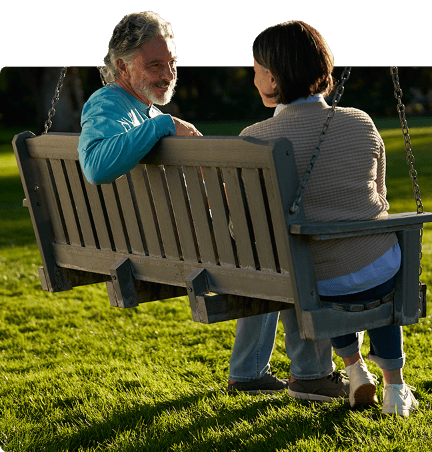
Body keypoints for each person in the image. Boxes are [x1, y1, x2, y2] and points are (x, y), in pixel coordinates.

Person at [229, 20, 418, 417]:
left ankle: (355, 370)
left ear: (273, 79)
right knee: (371, 267)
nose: (253, 78)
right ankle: (394, 388)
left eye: (256, 70)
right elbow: (379, 197)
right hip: (378, 268)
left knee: (325, 269)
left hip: (313, 281)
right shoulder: (360, 122)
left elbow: (247, 225)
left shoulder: (253, 138)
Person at [78, 11, 201, 185]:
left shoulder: (147, 112)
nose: (169, 75)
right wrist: (166, 123)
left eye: (172, 62)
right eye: (155, 65)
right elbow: (96, 169)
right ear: (123, 66)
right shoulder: (106, 103)